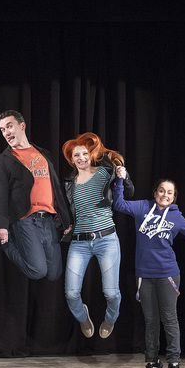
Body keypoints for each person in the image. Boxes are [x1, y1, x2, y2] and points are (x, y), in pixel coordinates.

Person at [113, 169, 185, 368]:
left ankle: (173, 363)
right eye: (161, 191)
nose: (165, 195)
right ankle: (152, 362)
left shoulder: (176, 216)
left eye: (169, 192)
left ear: (174, 197)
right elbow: (119, 204)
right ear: (155, 193)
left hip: (168, 275)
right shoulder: (142, 207)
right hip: (144, 275)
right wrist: (120, 180)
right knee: (151, 321)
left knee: (169, 319)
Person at [61, 133, 134, 339]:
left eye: (85, 153)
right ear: (71, 159)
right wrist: (66, 225)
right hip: (79, 243)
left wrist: (125, 176)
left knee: (111, 293)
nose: (81, 158)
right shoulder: (69, 182)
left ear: (91, 154)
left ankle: (110, 319)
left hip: (106, 240)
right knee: (71, 294)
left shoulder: (105, 172)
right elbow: (67, 210)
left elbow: (129, 192)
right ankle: (83, 317)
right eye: (77, 155)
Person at [0, 110, 72, 281]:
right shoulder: (3, 160)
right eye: (2, 129)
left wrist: (66, 220)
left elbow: (56, 188)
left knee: (54, 274)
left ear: (22, 126)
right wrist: (2, 227)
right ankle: (5, 245)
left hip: (48, 219)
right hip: (25, 219)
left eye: (9, 126)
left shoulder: (44, 154)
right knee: (38, 271)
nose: (6, 132)